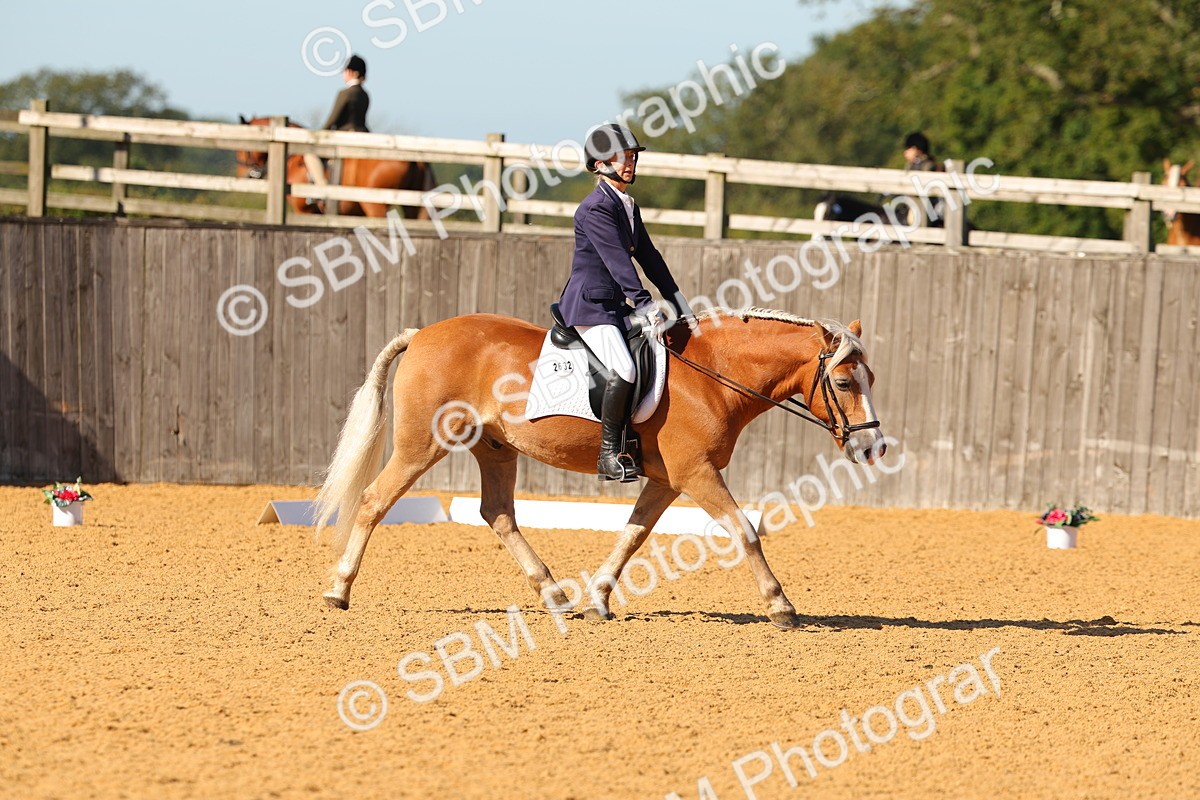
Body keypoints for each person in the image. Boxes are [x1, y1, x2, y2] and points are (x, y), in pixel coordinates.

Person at [558, 123, 691, 482]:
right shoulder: (595, 208)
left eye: (632, 157)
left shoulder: (627, 205)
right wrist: (646, 305)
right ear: (600, 164)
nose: (629, 163)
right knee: (626, 368)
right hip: (590, 307)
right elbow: (619, 262)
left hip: (615, 308)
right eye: (622, 157)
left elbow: (650, 258)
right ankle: (608, 454)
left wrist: (679, 302)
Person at [305, 54, 370, 201]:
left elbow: (332, 120)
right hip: (363, 136)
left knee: (309, 154)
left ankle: (322, 190)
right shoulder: (365, 94)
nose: (343, 74)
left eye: (345, 71)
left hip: (345, 137)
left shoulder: (345, 93)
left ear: (352, 72)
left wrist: (318, 135)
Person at [901, 131, 945, 227]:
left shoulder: (928, 166)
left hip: (929, 207)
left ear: (916, 149)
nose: (905, 152)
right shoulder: (912, 165)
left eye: (908, 149)